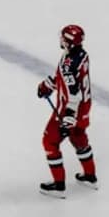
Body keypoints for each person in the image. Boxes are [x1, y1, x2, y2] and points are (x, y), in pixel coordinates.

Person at [36, 24, 98, 197]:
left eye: (64, 38)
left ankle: (58, 184)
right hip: (85, 106)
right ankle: (90, 176)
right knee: (78, 135)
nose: (61, 40)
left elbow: (73, 92)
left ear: (69, 42)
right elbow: (66, 79)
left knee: (50, 141)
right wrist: (48, 85)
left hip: (70, 108)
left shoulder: (69, 63)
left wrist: (69, 117)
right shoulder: (81, 55)